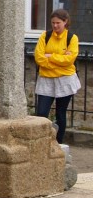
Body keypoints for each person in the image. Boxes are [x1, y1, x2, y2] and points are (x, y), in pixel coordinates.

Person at [34, 8, 80, 144]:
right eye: (53, 23)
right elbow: (39, 57)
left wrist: (50, 57)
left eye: (58, 23)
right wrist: (59, 61)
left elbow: (69, 60)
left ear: (65, 22)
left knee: (61, 113)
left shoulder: (72, 38)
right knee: (42, 113)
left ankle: (58, 143)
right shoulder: (45, 36)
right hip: (46, 79)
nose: (55, 25)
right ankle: (41, 142)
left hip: (65, 80)